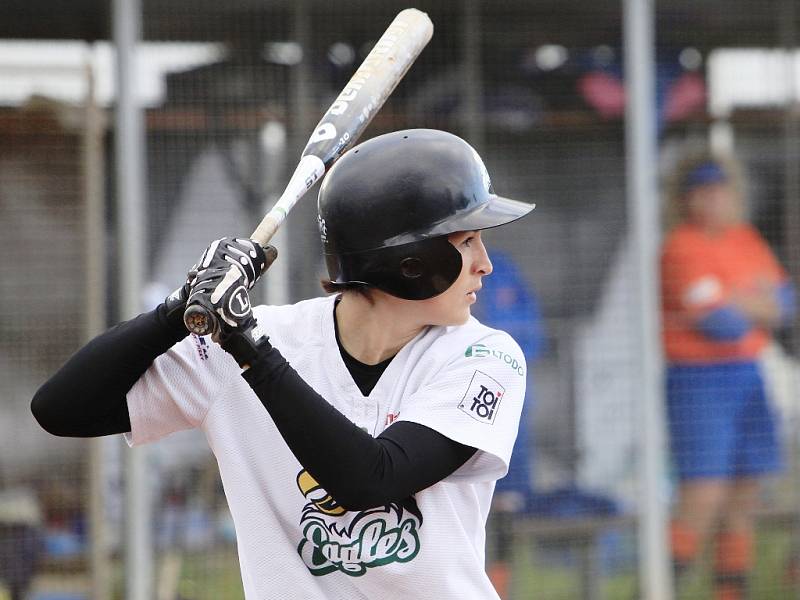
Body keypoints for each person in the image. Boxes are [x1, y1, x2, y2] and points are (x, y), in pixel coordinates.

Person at [31, 129, 536, 599]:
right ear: (412, 264)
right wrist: (178, 308)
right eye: (467, 241)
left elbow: (370, 479)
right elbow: (62, 409)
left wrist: (248, 348)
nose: (485, 263)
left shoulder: (482, 357)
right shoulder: (256, 342)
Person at [660, 150, 797, 600]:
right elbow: (719, 324)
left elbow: (786, 302)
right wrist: (752, 304)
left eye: (719, 190)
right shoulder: (682, 245)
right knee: (703, 498)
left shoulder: (744, 238)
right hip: (699, 379)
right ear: (686, 199)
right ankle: (659, 587)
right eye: (701, 192)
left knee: (745, 495)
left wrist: (739, 301)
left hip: (747, 374)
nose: (711, 200)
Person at [471, 251, 544, 599]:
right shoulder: (439, 266)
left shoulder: (503, 267)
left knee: (505, 513)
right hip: (465, 414)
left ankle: (499, 592)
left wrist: (506, 361)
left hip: (511, 416)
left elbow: (533, 334)